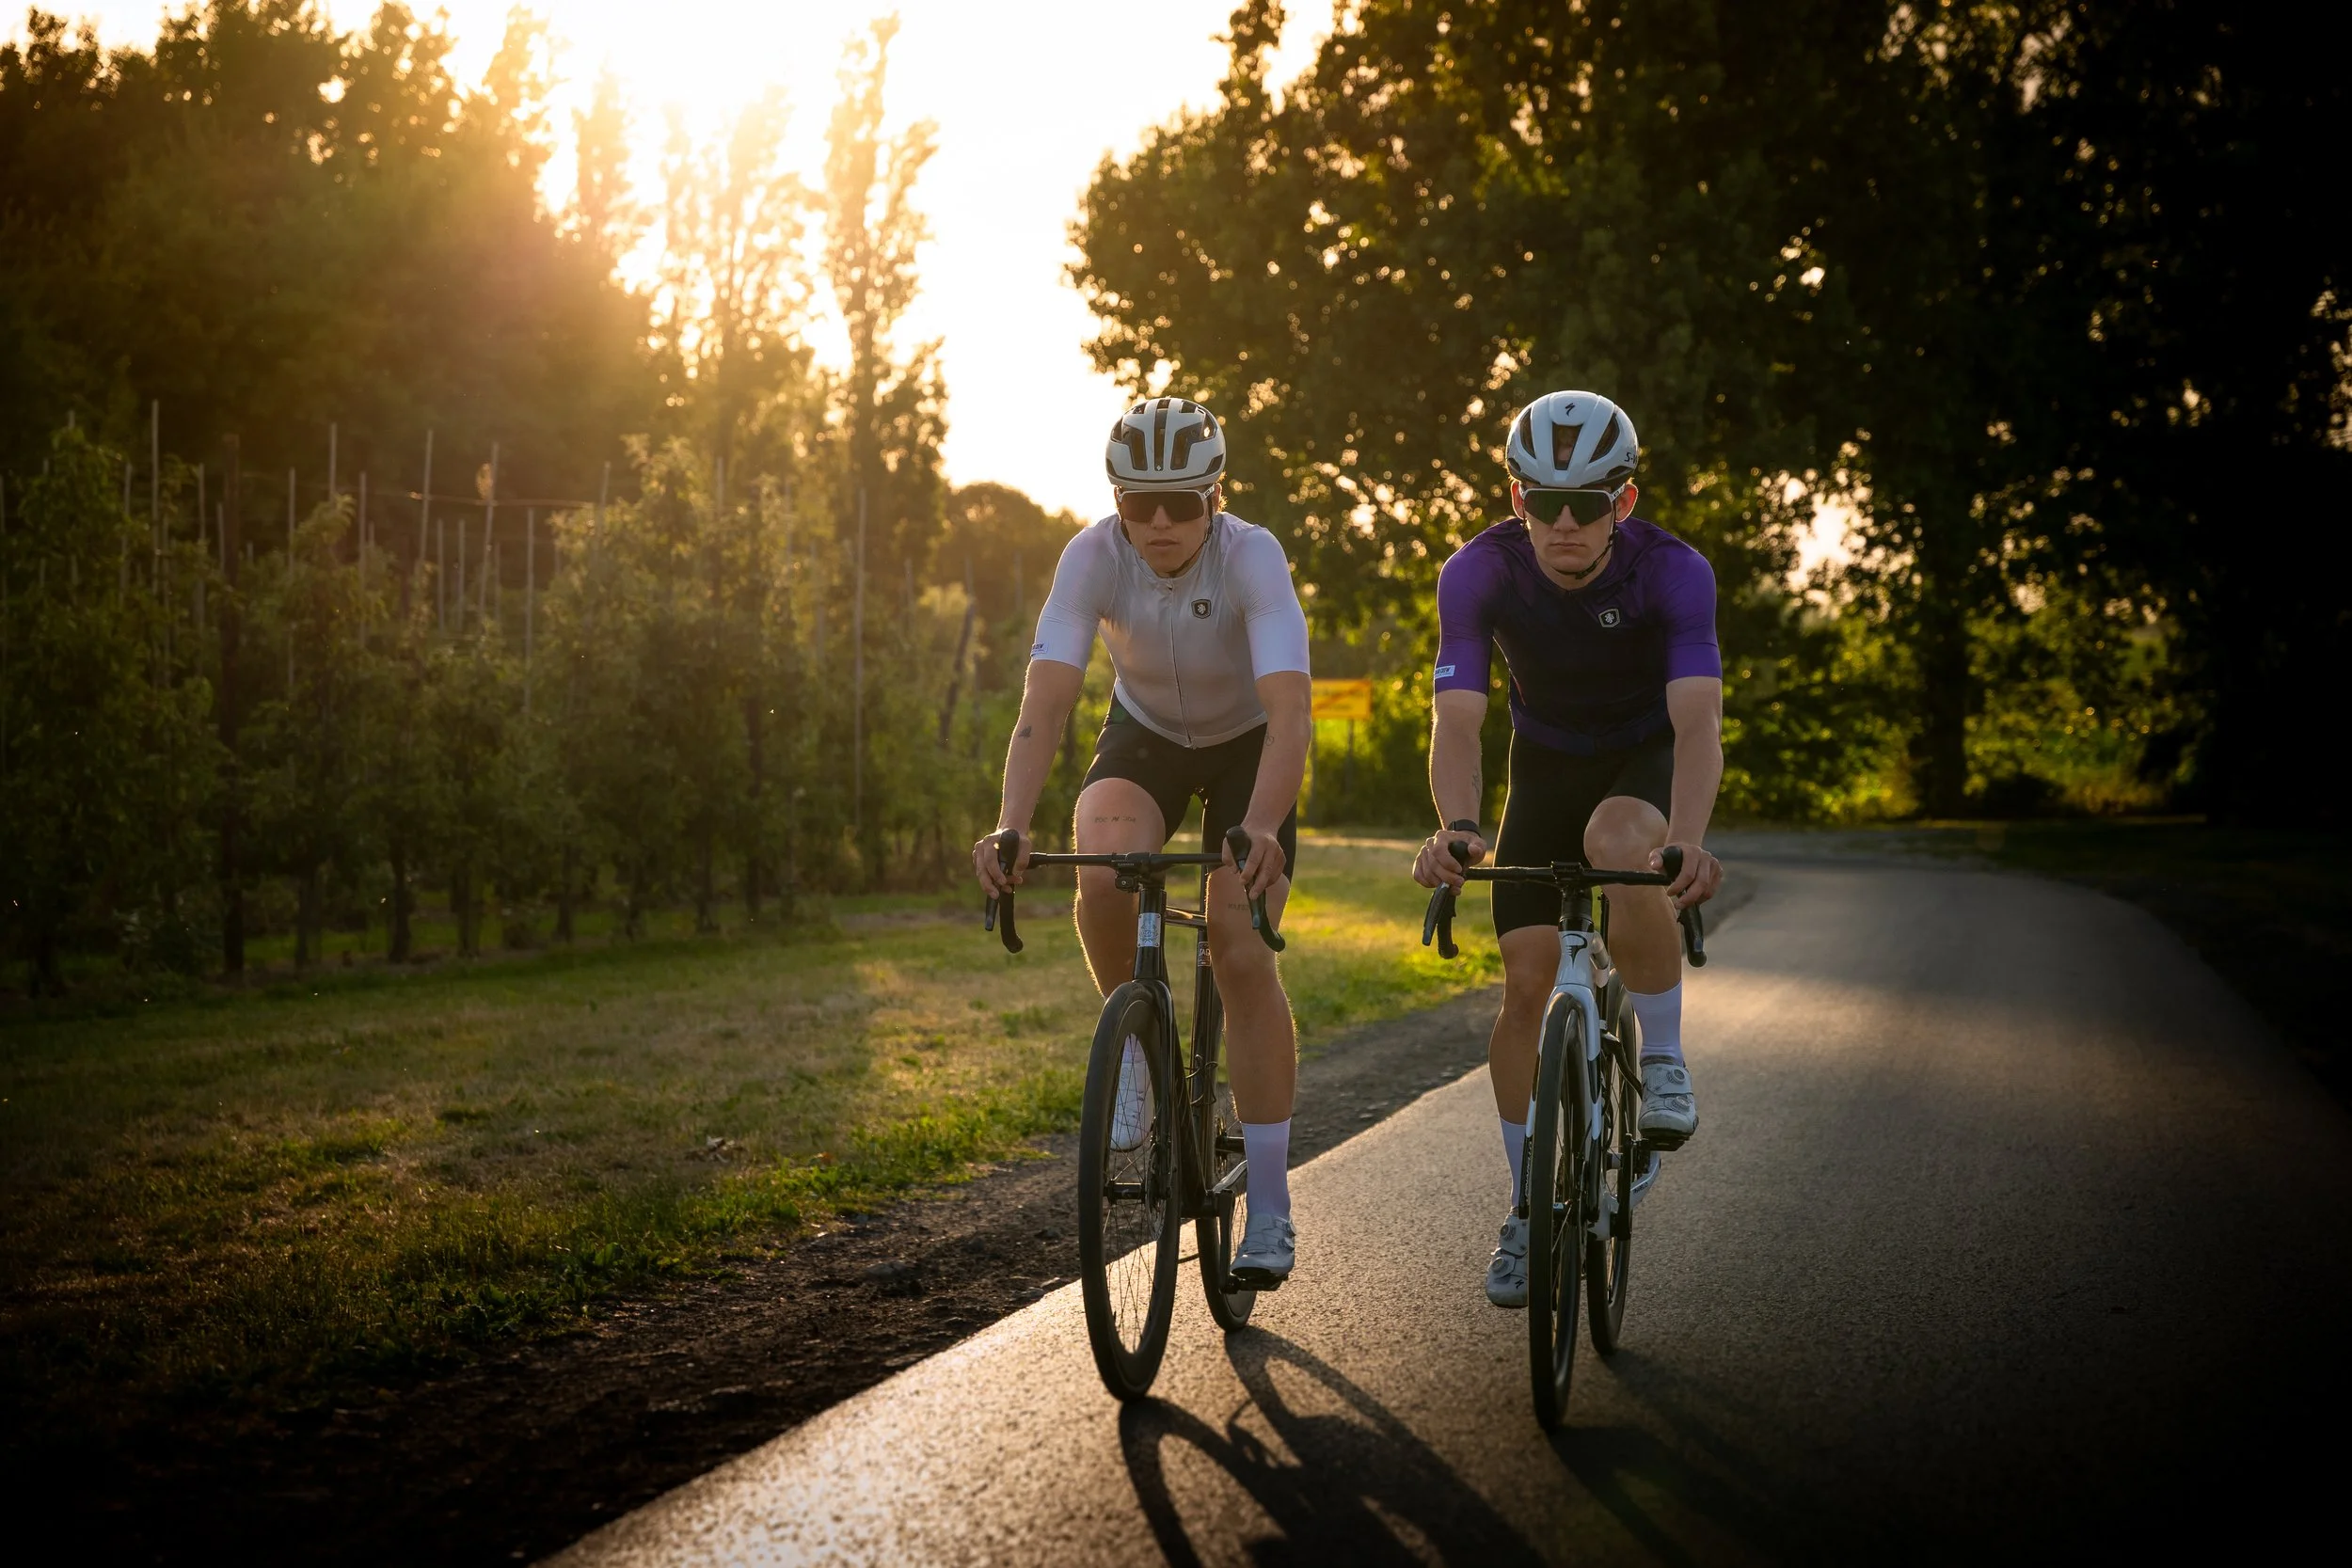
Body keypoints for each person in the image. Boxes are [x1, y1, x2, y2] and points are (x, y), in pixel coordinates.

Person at [974, 396, 1311, 1287]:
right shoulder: (1092, 556)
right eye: (1138, 502)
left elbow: (1290, 713)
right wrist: (1012, 821)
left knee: (1241, 949)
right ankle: (1135, 1047)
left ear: (1216, 497)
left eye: (1181, 503)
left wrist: (1262, 826)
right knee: (1101, 869)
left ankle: (1272, 1208)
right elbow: (1046, 703)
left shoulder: (1253, 556)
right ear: (1116, 500)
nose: (1159, 522)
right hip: (1146, 735)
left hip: (1248, 745)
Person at [1408, 389, 1726, 1309]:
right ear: (1517, 496)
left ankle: (1663, 1059)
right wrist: (1458, 824)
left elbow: (1698, 724)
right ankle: (1526, 1206)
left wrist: (1688, 841)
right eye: (1542, 501)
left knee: (1618, 841)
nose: (1563, 523)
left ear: (1622, 501)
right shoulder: (1478, 571)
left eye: (1586, 503)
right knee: (1524, 980)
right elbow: (1456, 720)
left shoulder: (1673, 572)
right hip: (1543, 764)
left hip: (1642, 756)